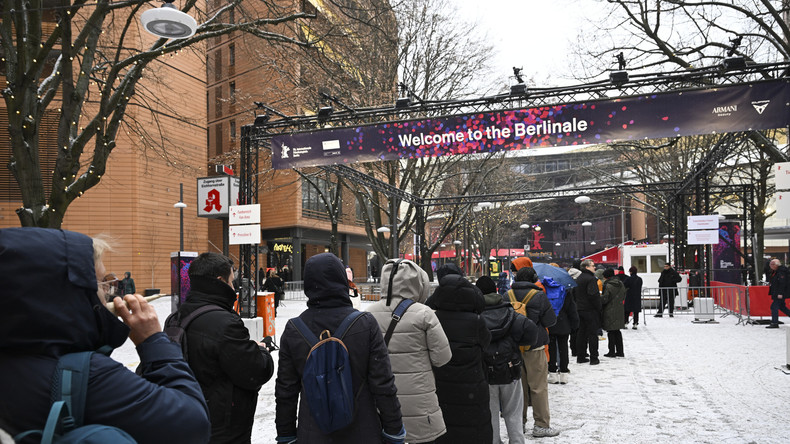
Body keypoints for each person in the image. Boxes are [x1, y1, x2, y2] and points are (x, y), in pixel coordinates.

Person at [0, 227, 211, 444]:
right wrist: (154, 341)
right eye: (100, 282)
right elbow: (193, 424)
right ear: (70, 290)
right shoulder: (87, 375)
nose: (107, 293)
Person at [275, 253, 404, 444]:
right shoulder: (365, 324)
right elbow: (383, 383)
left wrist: (286, 435)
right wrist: (394, 429)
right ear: (342, 281)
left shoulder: (294, 329)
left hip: (312, 433)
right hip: (362, 431)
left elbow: (286, 390)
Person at [173, 252, 275, 443]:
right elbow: (256, 371)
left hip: (187, 419)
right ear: (219, 281)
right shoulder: (224, 323)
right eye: (231, 281)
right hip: (223, 428)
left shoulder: (177, 317)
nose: (234, 287)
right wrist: (261, 351)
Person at [369, 259, 452, 444]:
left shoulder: (368, 314)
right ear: (418, 282)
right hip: (419, 401)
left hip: (381, 401)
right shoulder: (424, 313)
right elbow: (442, 357)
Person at [426, 264, 492, 444]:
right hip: (472, 386)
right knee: (472, 431)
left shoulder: (432, 319)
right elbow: (486, 343)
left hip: (440, 385)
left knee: (445, 429)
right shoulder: (476, 321)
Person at [476, 276, 542, 444]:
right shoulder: (511, 312)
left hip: (485, 372)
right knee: (513, 413)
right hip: (510, 369)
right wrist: (515, 342)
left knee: (490, 414)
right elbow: (531, 332)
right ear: (496, 291)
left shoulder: (475, 316)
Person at [507, 266, 559, 438]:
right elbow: (550, 320)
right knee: (538, 387)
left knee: (518, 388)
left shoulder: (507, 295)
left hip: (513, 348)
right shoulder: (539, 296)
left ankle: (519, 424)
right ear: (534, 279)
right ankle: (541, 425)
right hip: (535, 346)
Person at [547, 278, 579, 384]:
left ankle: (552, 373)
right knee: (563, 348)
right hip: (564, 323)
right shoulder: (565, 292)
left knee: (551, 349)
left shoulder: (545, 291)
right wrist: (575, 325)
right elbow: (572, 310)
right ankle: (564, 373)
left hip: (550, 323)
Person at [575, 259, 602, 366]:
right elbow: (593, 295)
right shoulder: (591, 279)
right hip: (590, 310)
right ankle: (594, 358)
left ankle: (580, 356)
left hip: (579, 309)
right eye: (592, 265)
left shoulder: (579, 278)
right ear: (586, 267)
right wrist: (599, 307)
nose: (594, 267)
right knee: (592, 334)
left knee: (581, 333)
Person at [601, 268, 626, 358]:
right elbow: (623, 295)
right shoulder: (621, 283)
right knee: (617, 331)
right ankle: (620, 351)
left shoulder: (608, 285)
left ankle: (611, 351)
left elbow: (605, 299)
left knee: (611, 331)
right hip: (619, 309)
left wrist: (599, 298)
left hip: (609, 310)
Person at [766, 259, 790, 328]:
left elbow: (782, 283)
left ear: (776, 265)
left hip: (780, 293)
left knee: (774, 307)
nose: (770, 266)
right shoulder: (776, 271)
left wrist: (780, 293)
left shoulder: (781, 272)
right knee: (782, 307)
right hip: (777, 292)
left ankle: (774, 323)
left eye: (772, 264)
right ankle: (774, 322)